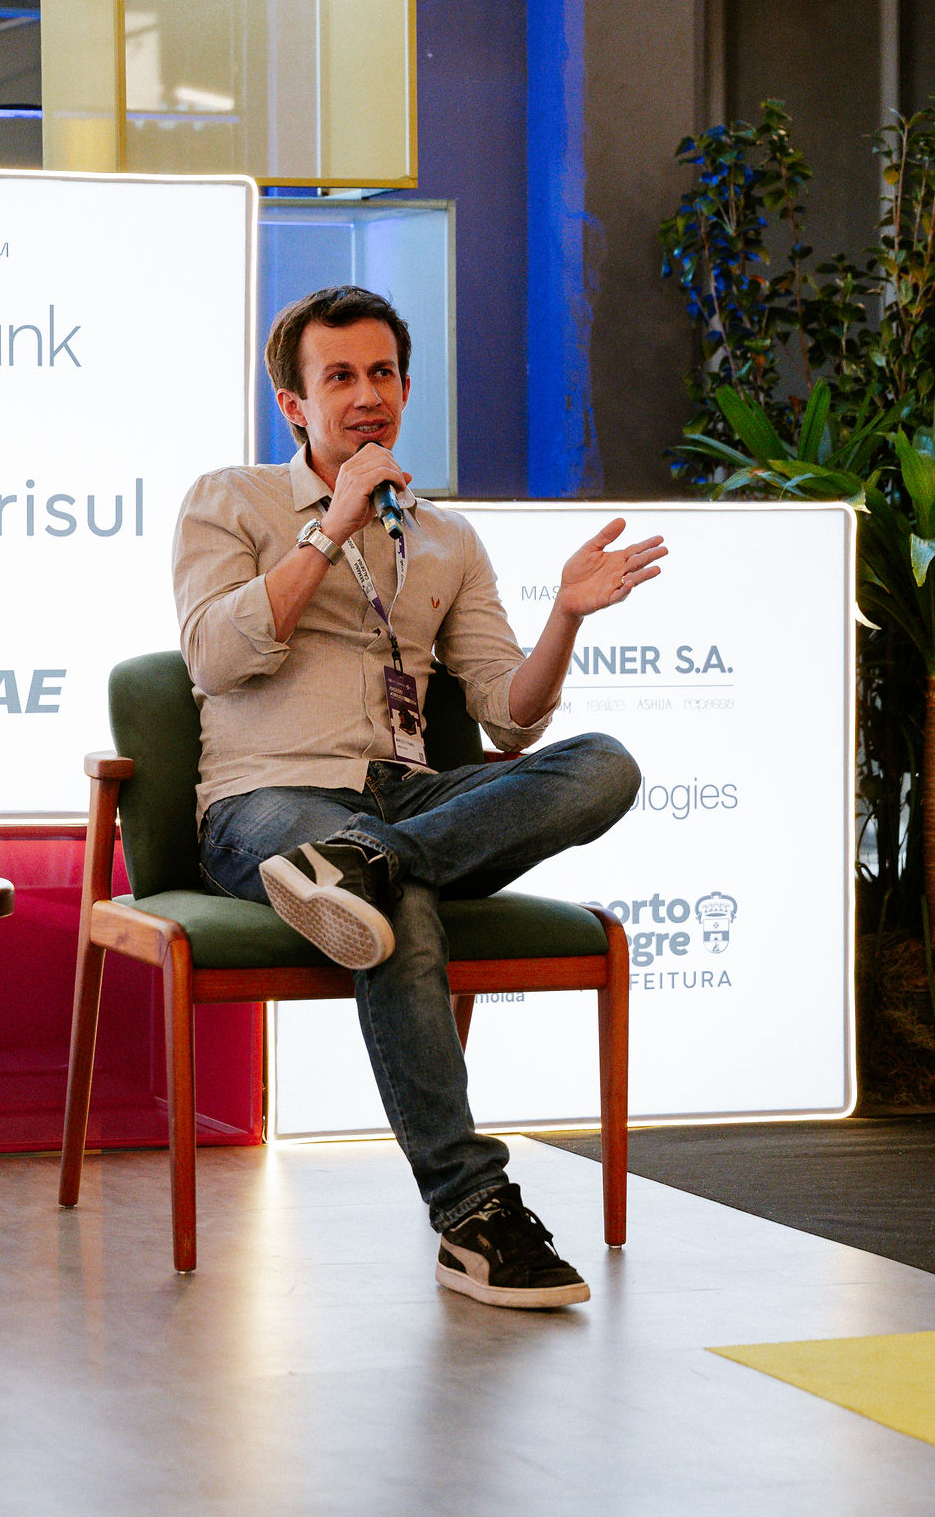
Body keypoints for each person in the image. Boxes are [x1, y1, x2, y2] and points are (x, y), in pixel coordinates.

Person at [173, 285, 667, 1310]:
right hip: (269, 801)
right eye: (340, 377)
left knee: (603, 762)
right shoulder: (231, 500)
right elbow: (214, 657)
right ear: (293, 403)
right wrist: (329, 531)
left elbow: (511, 721)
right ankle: (473, 1213)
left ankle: (369, 862)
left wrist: (566, 618)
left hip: (408, 800)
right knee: (393, 903)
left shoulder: (446, 538)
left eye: (384, 374)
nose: (369, 396)